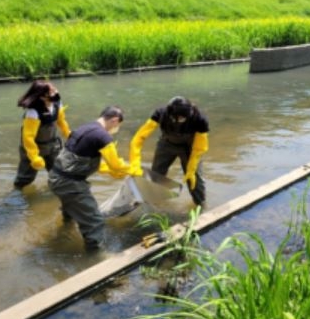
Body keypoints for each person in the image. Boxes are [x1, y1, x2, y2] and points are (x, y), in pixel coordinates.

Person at [49, 106, 131, 250]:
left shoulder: (86, 127)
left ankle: (64, 230)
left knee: (70, 208)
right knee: (95, 221)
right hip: (70, 184)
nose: (116, 128)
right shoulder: (103, 137)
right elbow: (116, 165)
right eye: (118, 125)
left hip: (56, 177)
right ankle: (95, 255)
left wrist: (108, 170)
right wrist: (133, 169)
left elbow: (82, 159)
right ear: (115, 120)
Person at [129, 96, 209, 206]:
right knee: (156, 174)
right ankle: (152, 202)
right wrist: (134, 163)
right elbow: (139, 138)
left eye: (183, 118)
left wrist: (191, 169)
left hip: (189, 148)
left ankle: (200, 205)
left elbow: (199, 148)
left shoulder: (199, 119)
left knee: (194, 179)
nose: (180, 121)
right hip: (166, 144)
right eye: (178, 118)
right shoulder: (160, 113)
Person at [14, 80, 73, 188]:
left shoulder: (57, 104)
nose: (55, 92)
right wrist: (34, 157)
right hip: (33, 147)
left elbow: (61, 120)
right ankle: (17, 193)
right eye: (51, 92)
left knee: (59, 171)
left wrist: (68, 133)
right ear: (42, 96)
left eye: (55, 90)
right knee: (26, 178)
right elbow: (28, 137)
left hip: (53, 145)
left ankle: (58, 192)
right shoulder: (33, 112)